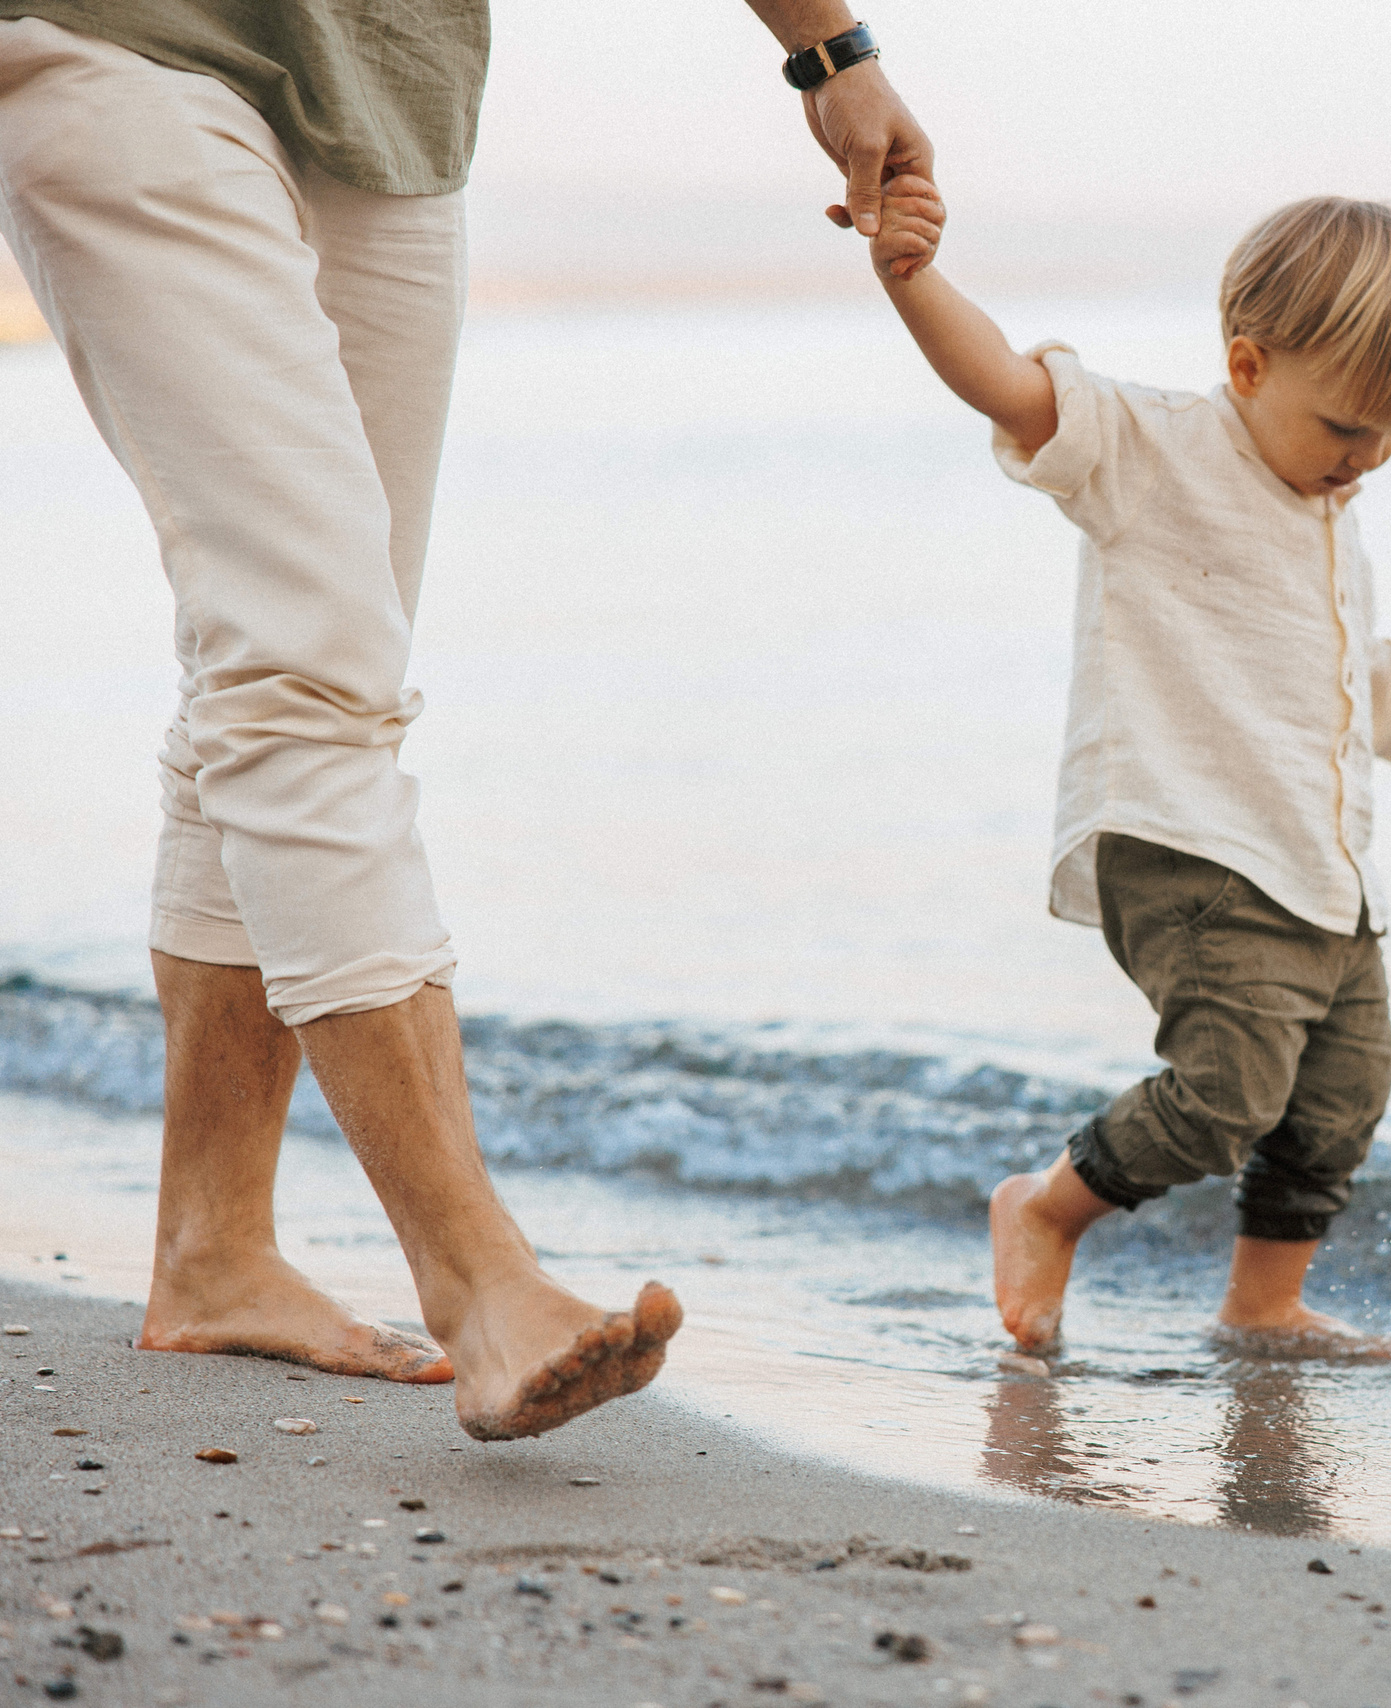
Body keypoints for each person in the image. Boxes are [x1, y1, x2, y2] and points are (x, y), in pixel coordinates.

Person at [0, 0, 934, 1438]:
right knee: (302, 662)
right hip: (104, 39)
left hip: (390, 82)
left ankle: (214, 1248)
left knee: (309, 676)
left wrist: (827, 50)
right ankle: (480, 1277)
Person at [865, 186, 1391, 1358]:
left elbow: (1314, 669)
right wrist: (911, 279)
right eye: (1345, 428)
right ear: (1250, 364)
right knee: (1226, 1090)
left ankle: (1262, 1306)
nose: (1365, 461)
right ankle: (1046, 1205)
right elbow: (1012, 388)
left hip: (1318, 870)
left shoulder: (1323, 511)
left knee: (1340, 1097)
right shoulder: (1155, 450)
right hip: (1191, 846)